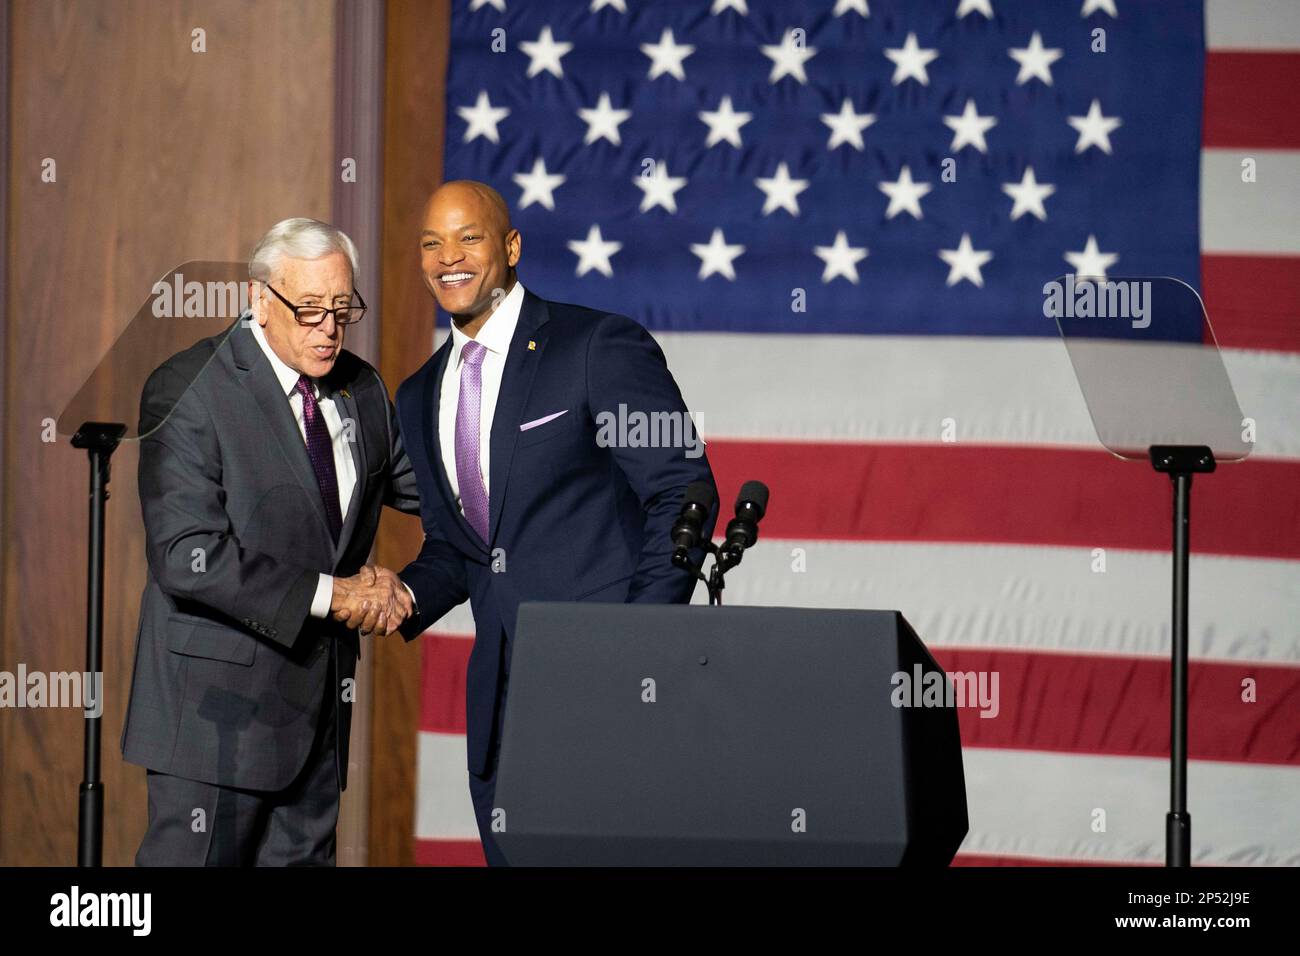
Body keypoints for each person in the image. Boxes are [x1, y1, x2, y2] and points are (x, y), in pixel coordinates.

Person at [395, 181, 717, 865]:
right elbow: (460, 549)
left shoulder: (595, 344)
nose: (447, 256)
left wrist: (628, 650)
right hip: (503, 724)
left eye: (469, 237)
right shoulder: (420, 393)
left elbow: (683, 493)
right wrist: (399, 596)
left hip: (615, 698)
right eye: (431, 242)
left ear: (510, 247)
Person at [122, 218, 416, 865]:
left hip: (316, 724)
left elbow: (434, 497)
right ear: (259, 298)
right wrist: (334, 596)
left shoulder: (361, 389)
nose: (329, 329)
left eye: (342, 309)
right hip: (213, 725)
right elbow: (187, 557)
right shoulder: (190, 388)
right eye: (309, 310)